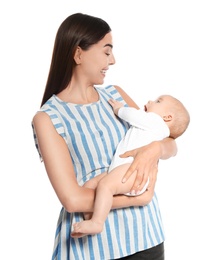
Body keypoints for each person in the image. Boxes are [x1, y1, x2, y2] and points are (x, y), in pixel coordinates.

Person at [32, 13, 178, 260]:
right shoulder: (48, 118)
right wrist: (139, 198)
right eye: (106, 51)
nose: (113, 60)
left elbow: (169, 140)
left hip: (146, 237)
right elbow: (72, 200)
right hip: (92, 249)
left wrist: (155, 149)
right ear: (78, 54)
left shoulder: (116, 96)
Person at [72, 95, 190, 237]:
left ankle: (97, 222)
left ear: (167, 117)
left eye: (158, 101)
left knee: (105, 186)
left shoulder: (156, 123)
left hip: (132, 171)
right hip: (121, 169)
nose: (150, 100)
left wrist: (119, 109)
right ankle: (89, 220)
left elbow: (133, 115)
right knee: (90, 185)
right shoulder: (153, 128)